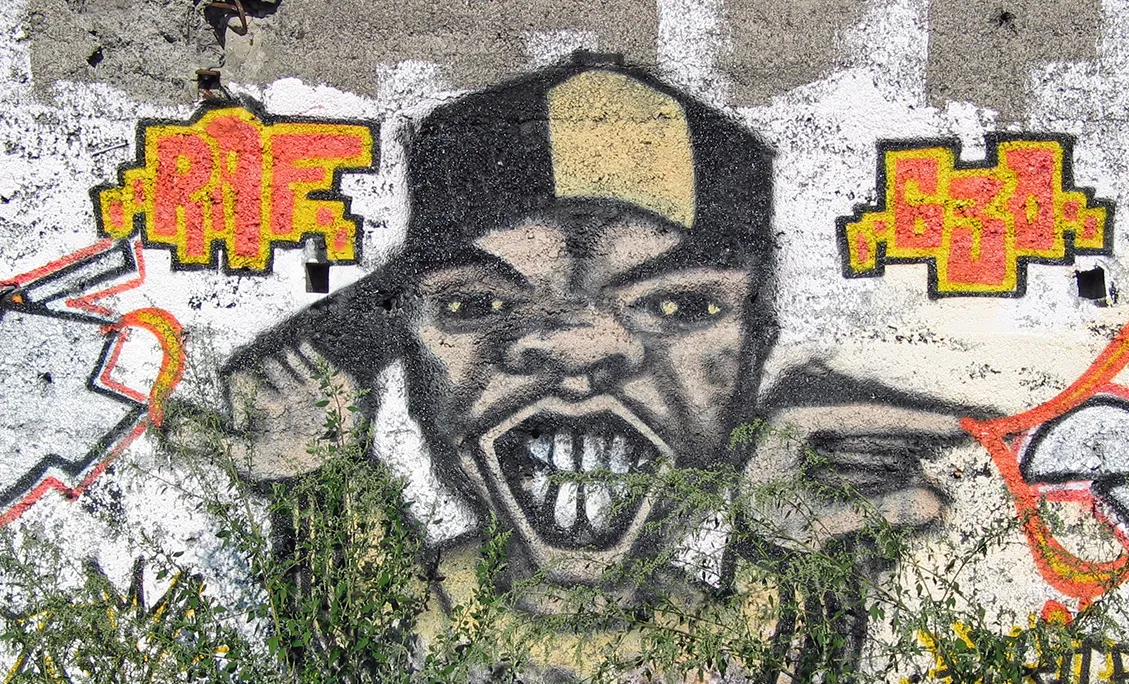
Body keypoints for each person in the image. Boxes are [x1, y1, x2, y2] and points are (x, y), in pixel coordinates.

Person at [221, 53, 965, 606]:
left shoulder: (728, 629)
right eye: (477, 305)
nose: (575, 345)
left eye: (678, 307)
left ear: (755, 347)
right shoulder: (407, 612)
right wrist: (313, 487)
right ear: (409, 347)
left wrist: (800, 569)